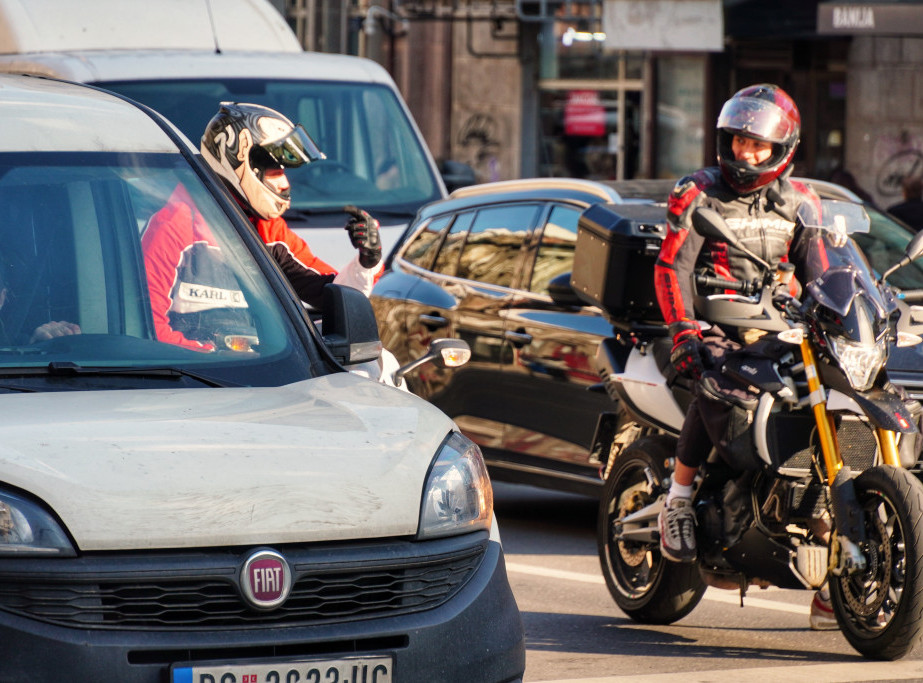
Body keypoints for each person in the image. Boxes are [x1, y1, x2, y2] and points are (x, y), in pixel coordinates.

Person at [652, 84, 837, 630]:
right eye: (736, 142)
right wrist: (684, 330)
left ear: (782, 148)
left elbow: (824, 272)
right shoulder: (697, 192)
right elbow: (671, 268)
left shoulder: (804, 202)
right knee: (719, 380)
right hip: (711, 322)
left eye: (755, 146)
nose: (743, 154)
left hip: (775, 328)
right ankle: (678, 500)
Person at [198, 102, 383, 304]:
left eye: (283, 172)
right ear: (239, 159)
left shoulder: (269, 231)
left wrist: (367, 262)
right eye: (276, 173)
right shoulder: (176, 227)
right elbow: (158, 322)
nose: (284, 183)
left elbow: (332, 295)